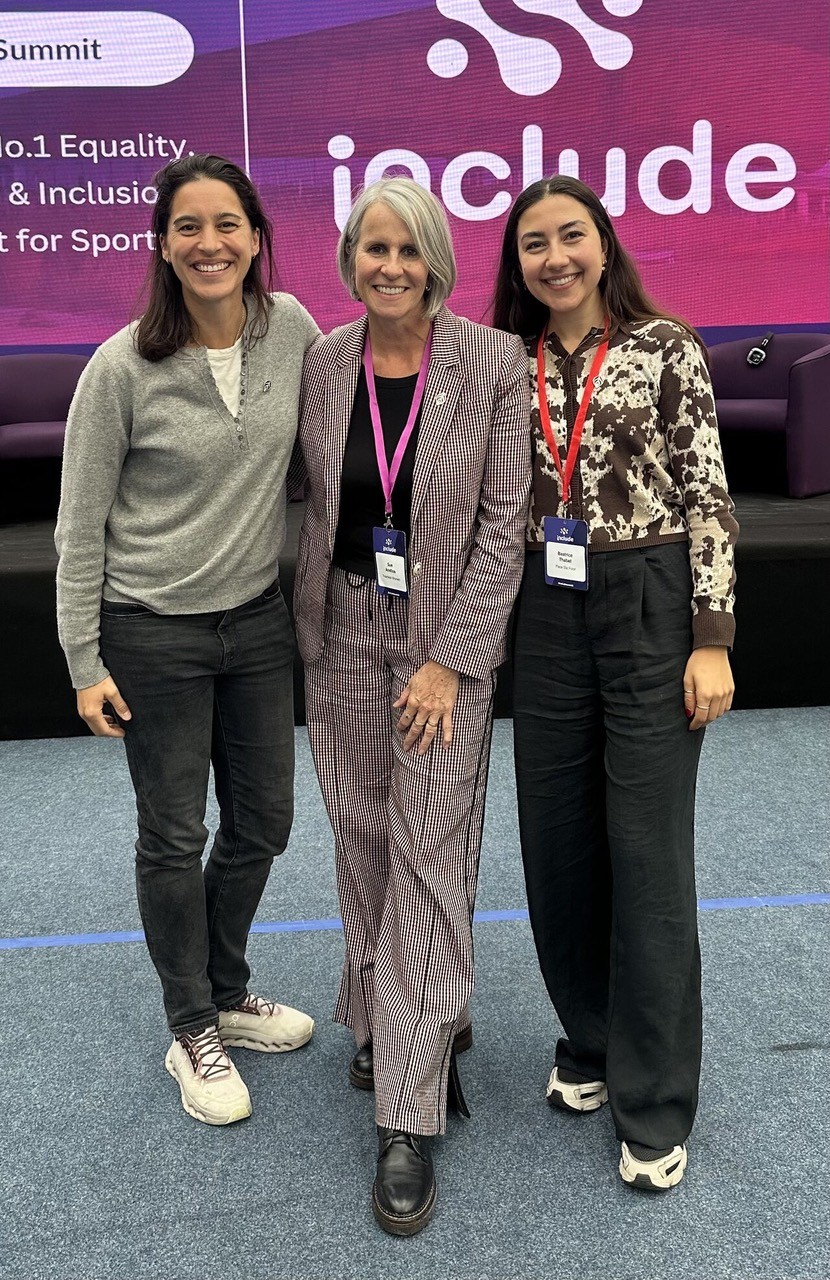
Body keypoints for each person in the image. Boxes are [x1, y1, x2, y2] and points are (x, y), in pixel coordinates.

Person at [55, 154, 319, 1127]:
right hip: (150, 632)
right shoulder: (122, 366)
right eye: (188, 227)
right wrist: (84, 661)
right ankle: (191, 1025)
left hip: (254, 624)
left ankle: (224, 987)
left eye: (227, 224)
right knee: (174, 833)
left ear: (255, 236)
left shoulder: (292, 331)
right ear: (162, 245)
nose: (209, 243)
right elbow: (79, 527)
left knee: (264, 823)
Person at [294, 177, 531, 1235]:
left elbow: (502, 520)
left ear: (434, 258)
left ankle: (407, 1110)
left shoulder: (489, 362)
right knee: (363, 842)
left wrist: (450, 659)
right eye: (370, 246)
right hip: (341, 630)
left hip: (439, 649)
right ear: (349, 255)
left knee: (429, 855)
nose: (387, 264)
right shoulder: (323, 360)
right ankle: (392, 1016)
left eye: (406, 248)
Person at [493, 175, 738, 1191]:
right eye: (531, 243)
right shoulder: (503, 361)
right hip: (542, 611)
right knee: (556, 843)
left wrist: (710, 635)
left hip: (647, 594)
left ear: (602, 243)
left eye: (569, 236)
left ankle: (653, 1096)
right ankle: (588, 1038)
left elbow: (708, 490)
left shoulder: (662, 344)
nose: (552, 256)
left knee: (642, 850)